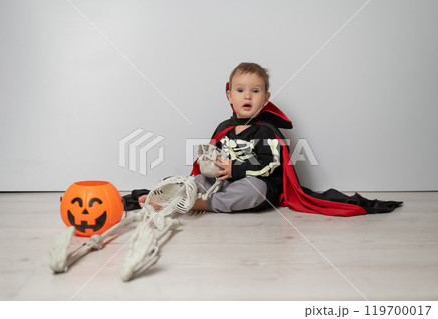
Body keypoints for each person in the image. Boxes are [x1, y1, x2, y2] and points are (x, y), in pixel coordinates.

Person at [138, 62, 402, 216]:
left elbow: (270, 165)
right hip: (224, 182)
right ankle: (170, 196)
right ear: (229, 96)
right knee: (196, 179)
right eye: (240, 91)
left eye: (255, 91)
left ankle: (201, 205)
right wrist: (211, 162)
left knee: (255, 189)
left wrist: (236, 169)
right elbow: (217, 157)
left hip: (255, 185)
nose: (247, 97)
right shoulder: (225, 127)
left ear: (265, 98)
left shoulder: (265, 130)